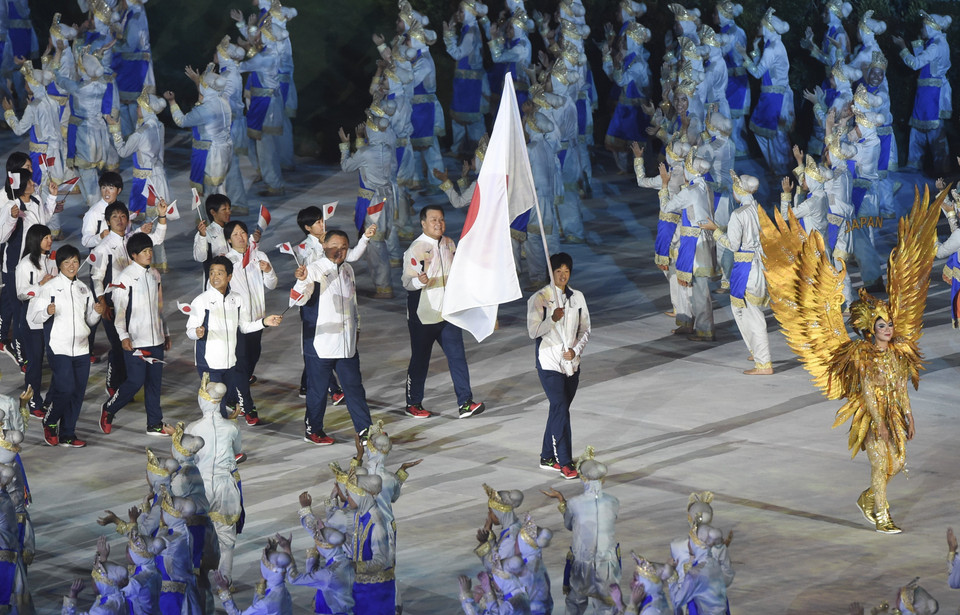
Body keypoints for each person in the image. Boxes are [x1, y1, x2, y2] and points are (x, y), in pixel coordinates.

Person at [759, 183, 944, 533]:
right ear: (868, 329)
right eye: (882, 324)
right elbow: (872, 393)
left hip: (894, 412)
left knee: (898, 461)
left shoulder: (899, 351)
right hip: (873, 416)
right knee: (879, 463)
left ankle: (870, 498)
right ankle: (882, 516)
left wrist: (907, 415)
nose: (889, 328)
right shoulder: (857, 355)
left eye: (890, 323)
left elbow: (900, 386)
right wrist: (883, 423)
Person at [401, 205, 484, 419]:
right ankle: (413, 403)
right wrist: (419, 282)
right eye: (433, 220)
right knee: (420, 360)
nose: (438, 223)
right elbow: (406, 283)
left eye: (441, 219)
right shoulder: (416, 248)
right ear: (423, 223)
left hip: (448, 314)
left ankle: (465, 402)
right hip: (424, 314)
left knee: (457, 357)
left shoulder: (449, 243)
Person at [293, 230, 375, 445]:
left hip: (347, 344)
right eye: (335, 246)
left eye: (344, 247)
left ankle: (365, 430)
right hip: (321, 343)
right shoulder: (313, 270)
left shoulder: (348, 269)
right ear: (324, 247)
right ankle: (313, 430)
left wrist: (357, 329)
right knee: (318, 392)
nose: (340, 251)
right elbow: (297, 301)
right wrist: (301, 281)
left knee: (354, 389)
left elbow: (353, 304)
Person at [185, 255, 282, 424]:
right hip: (209, 364)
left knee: (223, 404)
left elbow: (244, 327)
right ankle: (221, 449)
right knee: (216, 408)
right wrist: (197, 332)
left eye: (220, 273)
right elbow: (190, 330)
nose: (215, 277)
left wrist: (264, 322)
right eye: (212, 273)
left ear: (230, 277)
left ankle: (220, 445)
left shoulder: (236, 299)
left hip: (230, 363)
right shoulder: (201, 301)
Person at [28, 244, 104, 448]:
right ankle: (50, 421)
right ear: (59, 265)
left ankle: (68, 433)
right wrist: (47, 312)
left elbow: (89, 321)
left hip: (81, 347)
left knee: (78, 392)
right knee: (66, 388)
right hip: (58, 346)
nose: (72, 266)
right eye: (66, 262)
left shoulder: (83, 289)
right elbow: (32, 317)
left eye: (75, 262)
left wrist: (96, 312)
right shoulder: (49, 288)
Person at [99, 232, 174, 436]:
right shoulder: (124, 279)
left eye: (150, 250)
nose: (149, 254)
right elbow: (120, 311)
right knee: (135, 381)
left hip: (155, 340)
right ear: (133, 255)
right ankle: (109, 409)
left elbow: (159, 307)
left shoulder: (155, 275)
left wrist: (165, 333)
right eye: (144, 251)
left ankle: (154, 423)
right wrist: (123, 336)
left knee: (154, 383)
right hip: (136, 341)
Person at [90, 202, 166, 397]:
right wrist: (103, 301)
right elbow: (96, 277)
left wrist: (162, 217)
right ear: (107, 221)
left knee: (131, 344)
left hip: (136, 300)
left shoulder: (133, 239)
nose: (120, 220)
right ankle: (113, 382)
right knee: (118, 344)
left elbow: (157, 238)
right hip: (114, 302)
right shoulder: (103, 248)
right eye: (115, 217)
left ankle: (128, 382)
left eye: (123, 216)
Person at [527, 252, 589, 479]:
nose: (562, 276)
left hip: (571, 362)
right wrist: (551, 319)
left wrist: (575, 350)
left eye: (566, 271)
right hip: (548, 361)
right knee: (561, 408)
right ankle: (564, 460)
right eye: (558, 271)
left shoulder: (578, 297)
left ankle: (546, 456)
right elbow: (532, 331)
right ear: (550, 273)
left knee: (558, 409)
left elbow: (585, 329)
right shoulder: (539, 299)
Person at [542, 447, 620, 615]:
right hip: (606, 565)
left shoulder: (575, 503)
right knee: (605, 607)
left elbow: (570, 525)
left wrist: (562, 502)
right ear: (603, 480)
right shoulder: (613, 501)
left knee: (575, 604)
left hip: (583, 564)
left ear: (583, 479)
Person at [185, 376, 243, 576]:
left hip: (200, 487)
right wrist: (231, 421)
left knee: (195, 532)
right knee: (226, 537)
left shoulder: (192, 428)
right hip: (225, 486)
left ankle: (195, 577)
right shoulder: (232, 427)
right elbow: (237, 450)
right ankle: (225, 581)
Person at [715, 172, 771, 375]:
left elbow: (732, 244)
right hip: (755, 266)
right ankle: (756, 351)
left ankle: (764, 363)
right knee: (739, 308)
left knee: (753, 314)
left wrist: (715, 231)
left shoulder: (738, 214)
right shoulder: (758, 209)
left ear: (739, 190)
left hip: (747, 268)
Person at [894, 12, 952, 173]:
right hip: (927, 92)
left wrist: (902, 47)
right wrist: (919, 41)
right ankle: (914, 164)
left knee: (934, 129)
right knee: (918, 127)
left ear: (930, 27)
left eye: (923, 26)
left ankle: (942, 170)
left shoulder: (936, 46)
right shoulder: (936, 42)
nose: (921, 28)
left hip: (932, 94)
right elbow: (924, 59)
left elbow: (915, 63)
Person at [222, 220, 276, 385]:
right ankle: (236, 393)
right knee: (241, 356)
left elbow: (272, 284)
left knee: (254, 353)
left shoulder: (260, 256)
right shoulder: (227, 261)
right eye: (235, 234)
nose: (240, 237)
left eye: (243, 232)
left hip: (259, 317)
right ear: (229, 240)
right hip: (238, 319)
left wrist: (269, 271)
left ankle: (241, 383)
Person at [15, 224, 56, 416]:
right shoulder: (25, 265)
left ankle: (49, 399)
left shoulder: (51, 260)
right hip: (32, 319)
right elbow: (21, 293)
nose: (49, 240)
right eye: (45, 238)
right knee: (35, 362)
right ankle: (32, 400)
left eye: (50, 237)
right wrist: (41, 284)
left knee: (55, 360)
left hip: (52, 317)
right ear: (35, 240)